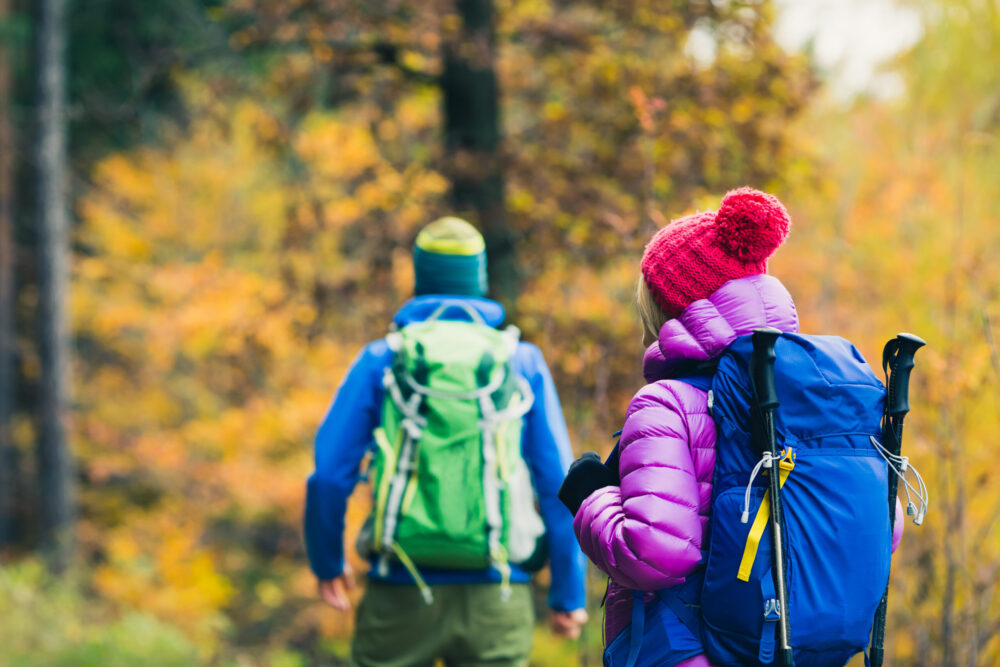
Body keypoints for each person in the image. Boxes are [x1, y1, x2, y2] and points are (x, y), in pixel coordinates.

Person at [558, 188, 905, 666]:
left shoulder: (668, 403)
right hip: (792, 648)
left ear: (665, 307)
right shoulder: (815, 393)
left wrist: (591, 498)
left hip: (690, 648)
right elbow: (883, 524)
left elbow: (654, 553)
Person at [304, 217, 588, 667]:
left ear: (420, 278)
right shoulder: (521, 362)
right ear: (479, 279)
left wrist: (327, 562)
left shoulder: (383, 359)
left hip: (399, 592)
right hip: (498, 593)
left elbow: (328, 476)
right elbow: (558, 484)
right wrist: (568, 593)